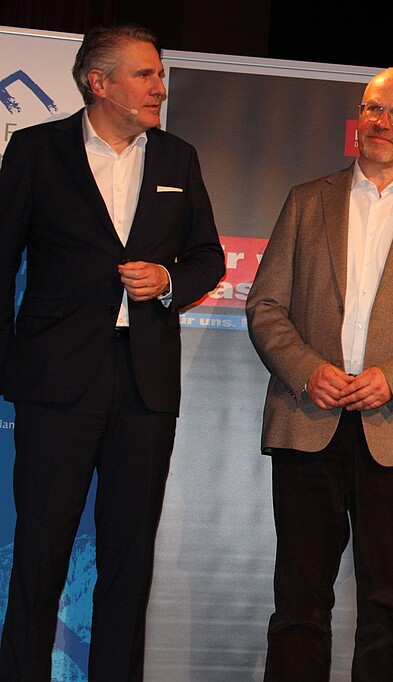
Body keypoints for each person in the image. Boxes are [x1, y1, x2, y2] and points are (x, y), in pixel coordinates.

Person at [0, 24, 225, 682]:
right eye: (144, 74)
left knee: (128, 561)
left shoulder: (178, 158)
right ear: (98, 83)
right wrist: (10, 364)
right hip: (56, 380)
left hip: (144, 383)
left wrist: (168, 281)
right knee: (39, 552)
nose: (160, 87)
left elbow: (208, 256)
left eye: (160, 75)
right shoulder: (36, 150)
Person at [246, 66, 393, 681]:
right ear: (359, 117)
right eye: (374, 109)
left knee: (386, 605)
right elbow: (265, 305)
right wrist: (306, 370)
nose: (382, 122)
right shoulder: (307, 201)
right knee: (298, 604)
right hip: (308, 421)